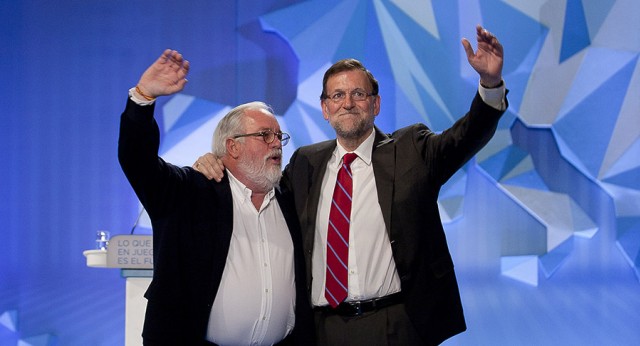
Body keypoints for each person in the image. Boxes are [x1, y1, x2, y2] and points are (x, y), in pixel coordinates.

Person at [194, 25, 507, 345]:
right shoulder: (305, 163)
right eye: (337, 95)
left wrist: (491, 84)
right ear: (325, 109)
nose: (348, 103)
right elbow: (258, 180)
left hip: (395, 325)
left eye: (359, 94)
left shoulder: (412, 149)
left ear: (376, 104)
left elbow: (464, 138)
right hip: (321, 329)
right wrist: (216, 160)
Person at [118, 49, 314, 345]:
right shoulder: (188, 192)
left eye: (279, 136)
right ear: (232, 147)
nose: (277, 144)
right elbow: (137, 160)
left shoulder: (290, 200)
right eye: (265, 135)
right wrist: (143, 97)